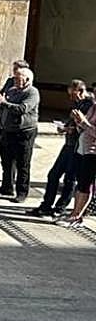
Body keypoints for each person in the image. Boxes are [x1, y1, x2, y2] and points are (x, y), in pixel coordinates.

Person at [30, 78, 87, 218]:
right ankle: (46, 205)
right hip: (68, 144)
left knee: (70, 178)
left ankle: (60, 207)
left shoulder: (89, 105)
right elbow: (72, 122)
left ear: (80, 91)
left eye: (73, 94)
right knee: (53, 174)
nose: (71, 98)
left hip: (78, 147)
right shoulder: (77, 103)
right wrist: (65, 127)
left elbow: (87, 127)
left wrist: (74, 127)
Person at [0, 64, 40, 203]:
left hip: (24, 132)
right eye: (15, 78)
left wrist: (4, 103)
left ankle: (22, 192)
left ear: (27, 80)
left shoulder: (32, 92)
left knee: (22, 163)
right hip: (8, 130)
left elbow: (22, 108)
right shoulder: (12, 90)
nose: (16, 81)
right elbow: (5, 108)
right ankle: (6, 187)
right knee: (6, 160)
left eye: (19, 79)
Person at [55, 95, 96, 228]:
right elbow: (83, 128)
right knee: (79, 183)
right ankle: (74, 212)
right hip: (82, 149)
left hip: (92, 152)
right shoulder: (93, 108)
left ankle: (77, 216)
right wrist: (78, 121)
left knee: (85, 185)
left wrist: (83, 122)